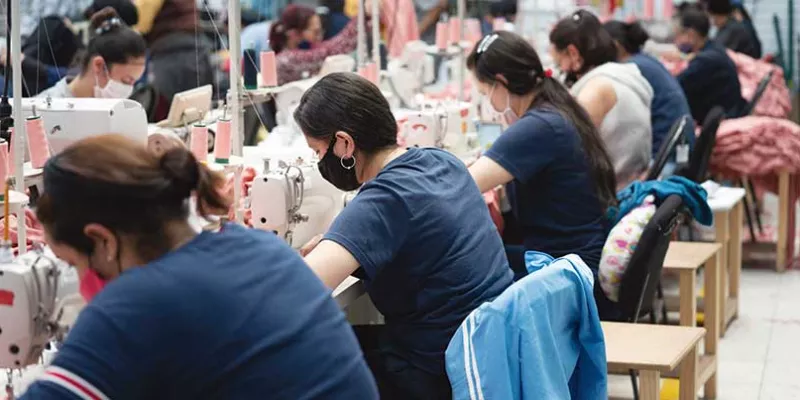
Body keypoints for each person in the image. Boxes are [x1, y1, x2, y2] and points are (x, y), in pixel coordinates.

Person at [20, 134, 379, 399]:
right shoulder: (260, 246)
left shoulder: (136, 303)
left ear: (103, 241)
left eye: (73, 264)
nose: (80, 281)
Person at [296, 73, 513, 399]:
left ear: (344, 143)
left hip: (434, 371)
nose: (318, 161)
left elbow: (297, 291)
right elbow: (422, 240)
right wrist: (350, 248)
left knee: (307, 355)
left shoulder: (381, 201)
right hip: (490, 350)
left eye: (317, 150)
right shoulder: (440, 160)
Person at [466, 32, 618, 317]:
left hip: (566, 274)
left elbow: (462, 185)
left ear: (502, 83)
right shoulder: (556, 109)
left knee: (460, 271)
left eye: (486, 92)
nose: (488, 101)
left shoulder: (539, 127)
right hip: (574, 258)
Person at [549, 10, 654, 188]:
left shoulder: (596, 91)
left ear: (573, 53)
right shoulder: (622, 74)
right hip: (630, 180)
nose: (559, 70)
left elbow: (564, 148)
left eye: (559, 63)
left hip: (611, 193)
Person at [604, 20, 696, 157]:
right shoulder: (645, 61)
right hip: (678, 148)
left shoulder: (631, 70)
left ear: (617, 46)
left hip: (665, 156)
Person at [37, 8, 146, 99]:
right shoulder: (44, 111)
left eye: (133, 83)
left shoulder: (114, 111)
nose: (129, 90)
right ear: (99, 65)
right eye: (126, 81)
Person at [134, 0, 215, 104]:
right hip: (195, 47)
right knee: (198, 107)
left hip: (170, 51)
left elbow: (141, 23)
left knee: (169, 109)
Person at [674, 8, 746, 122]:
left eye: (678, 35)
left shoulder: (705, 61)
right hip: (728, 110)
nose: (676, 40)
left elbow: (675, 87)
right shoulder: (714, 50)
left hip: (722, 118)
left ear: (691, 34)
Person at [269, 5, 360, 84]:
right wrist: (363, 17)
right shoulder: (285, 60)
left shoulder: (288, 57)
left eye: (321, 31)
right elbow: (331, 51)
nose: (320, 36)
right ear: (293, 33)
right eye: (315, 32)